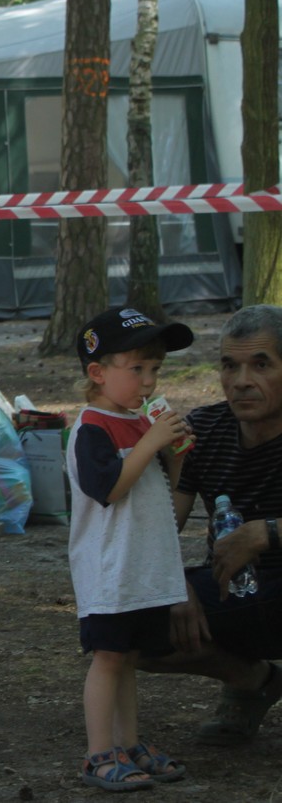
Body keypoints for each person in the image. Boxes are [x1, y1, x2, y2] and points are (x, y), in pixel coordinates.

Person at [67, 307, 196, 790]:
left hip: (142, 567)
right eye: (136, 368)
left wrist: (175, 454)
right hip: (109, 568)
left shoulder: (143, 423)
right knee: (108, 658)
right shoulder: (92, 427)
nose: (148, 381)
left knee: (129, 659)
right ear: (98, 373)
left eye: (156, 369)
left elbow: (161, 490)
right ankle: (99, 753)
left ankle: (129, 742)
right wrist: (150, 444)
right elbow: (109, 489)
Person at [141, 305, 282, 744]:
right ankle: (252, 682)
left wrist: (266, 533)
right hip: (235, 589)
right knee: (127, 625)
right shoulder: (202, 430)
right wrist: (172, 583)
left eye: (261, 365)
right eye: (229, 365)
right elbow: (162, 522)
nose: (241, 380)